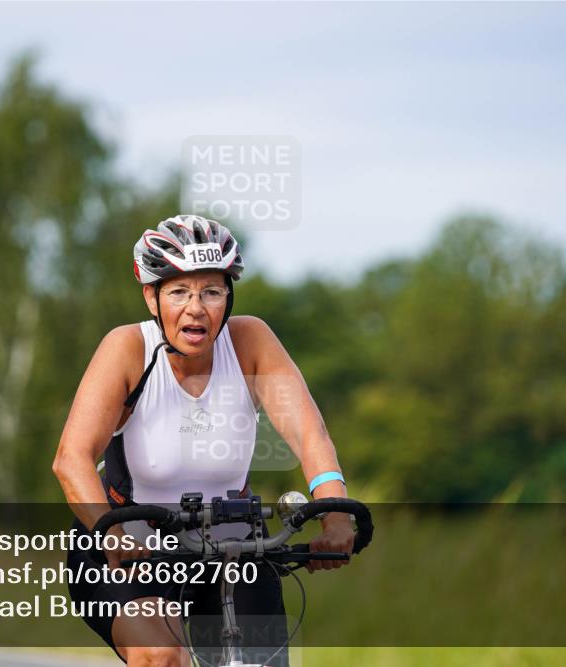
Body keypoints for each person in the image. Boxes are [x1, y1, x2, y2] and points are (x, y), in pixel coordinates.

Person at [52, 214, 355, 667]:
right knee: (161, 656)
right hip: (133, 545)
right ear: (151, 297)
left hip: (233, 544)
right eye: (179, 292)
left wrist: (335, 514)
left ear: (228, 298)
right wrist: (110, 532)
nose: (196, 308)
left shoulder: (250, 341)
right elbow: (71, 458)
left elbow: (309, 434)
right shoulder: (128, 349)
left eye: (212, 291)